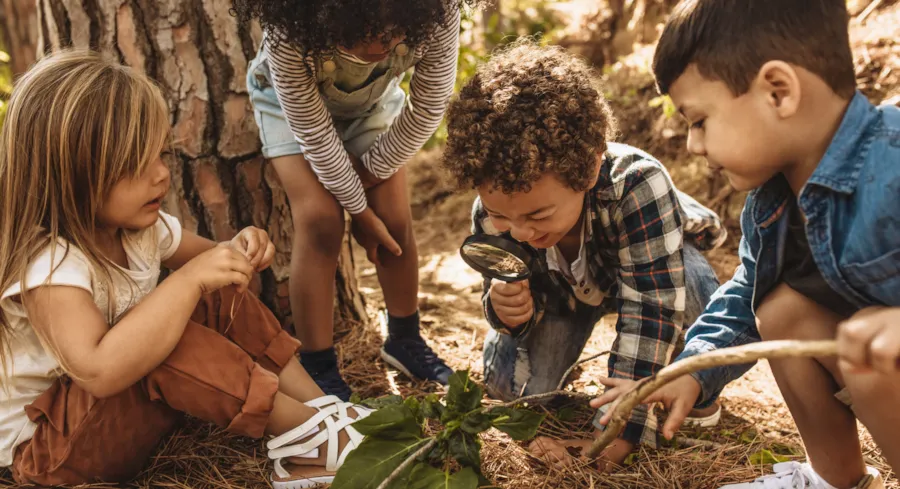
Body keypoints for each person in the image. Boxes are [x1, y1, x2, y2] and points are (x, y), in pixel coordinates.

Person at [0, 50, 370, 488]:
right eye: (136, 165)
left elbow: (213, 262)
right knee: (165, 339)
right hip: (49, 454)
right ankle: (308, 438)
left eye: (160, 155)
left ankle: (321, 410)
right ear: (70, 175)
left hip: (109, 420)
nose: (161, 176)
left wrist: (238, 249)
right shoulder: (51, 267)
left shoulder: (138, 230)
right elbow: (99, 371)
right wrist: (192, 280)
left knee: (214, 293)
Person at [593, 1, 900, 487]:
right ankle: (834, 478)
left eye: (699, 121)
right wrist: (692, 371)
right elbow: (742, 300)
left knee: (868, 348)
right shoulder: (771, 205)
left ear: (778, 92)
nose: (693, 145)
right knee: (779, 310)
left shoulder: (893, 162)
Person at [439, 39, 726, 471]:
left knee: (695, 284)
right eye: (501, 215)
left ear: (589, 168)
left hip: (647, 271)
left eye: (538, 213)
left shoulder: (638, 185)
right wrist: (507, 312)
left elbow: (651, 306)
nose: (519, 231)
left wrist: (621, 426)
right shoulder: (494, 213)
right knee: (510, 389)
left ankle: (694, 385)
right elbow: (499, 292)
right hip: (561, 297)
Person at [231, 0, 476, 399]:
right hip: (290, 111)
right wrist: (358, 212)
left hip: (372, 107)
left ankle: (404, 339)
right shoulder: (288, 30)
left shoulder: (438, 10)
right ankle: (319, 364)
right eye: (360, 36)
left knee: (395, 220)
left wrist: (366, 182)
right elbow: (313, 133)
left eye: (391, 34)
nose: (377, 49)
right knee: (321, 222)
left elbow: (428, 107)